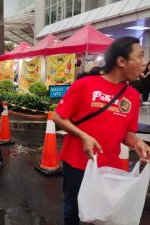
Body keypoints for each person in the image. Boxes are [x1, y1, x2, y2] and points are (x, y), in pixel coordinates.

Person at [52, 37, 150, 225]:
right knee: (73, 209)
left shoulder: (133, 96)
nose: (143, 63)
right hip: (77, 163)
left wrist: (137, 142)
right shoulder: (85, 85)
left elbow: (127, 134)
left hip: (108, 167)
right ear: (121, 61)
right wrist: (83, 136)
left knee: (100, 213)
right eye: (140, 56)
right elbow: (58, 117)